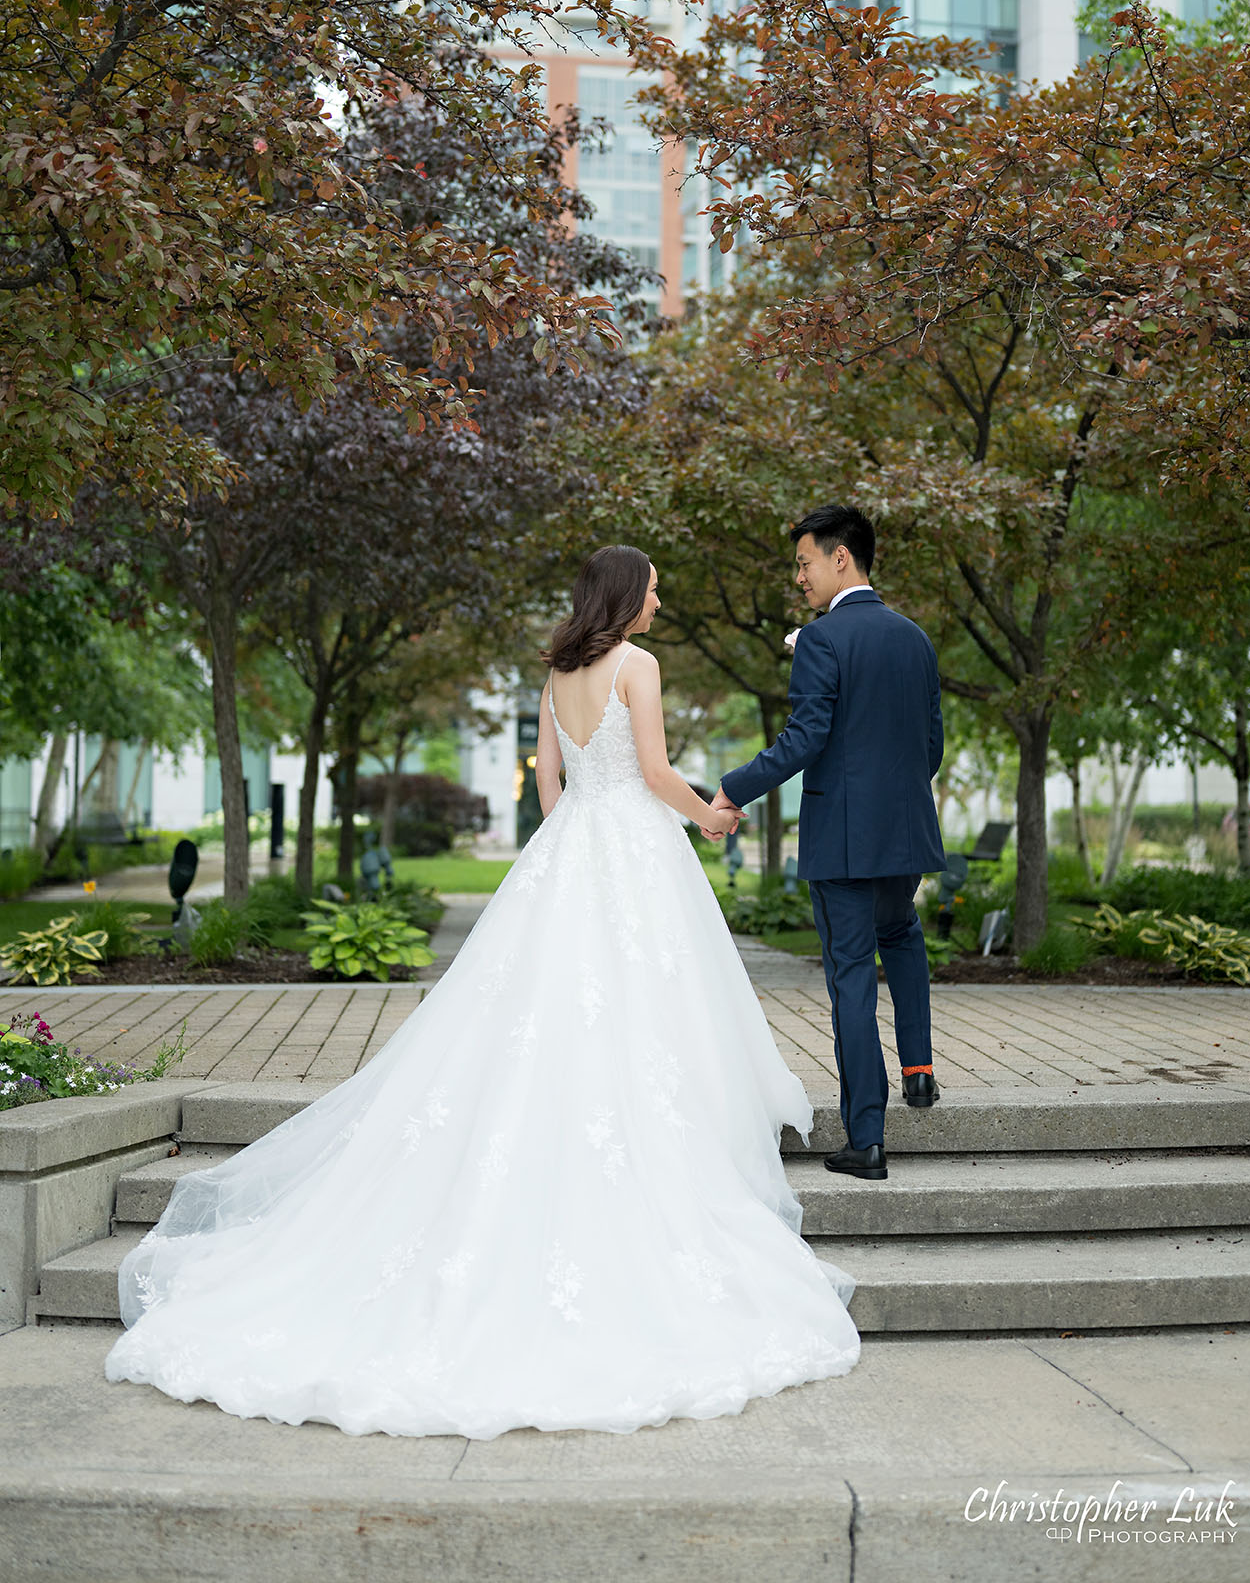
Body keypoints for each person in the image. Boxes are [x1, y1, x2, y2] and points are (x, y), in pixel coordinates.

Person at [105, 545, 860, 1438]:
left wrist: (572, 841)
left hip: (575, 843)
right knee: (644, 1008)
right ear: (627, 595)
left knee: (541, 1011)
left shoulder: (558, 673)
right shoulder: (638, 664)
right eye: (654, 585)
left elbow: (548, 776)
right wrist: (709, 812)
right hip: (634, 846)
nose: (661, 597)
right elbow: (655, 774)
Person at [710, 503, 945, 1183]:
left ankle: (866, 1138)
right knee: (901, 935)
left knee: (849, 974)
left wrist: (733, 789)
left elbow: (805, 739)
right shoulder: (915, 639)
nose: (800, 578)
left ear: (840, 558)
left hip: (843, 839)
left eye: (804, 563)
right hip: (904, 833)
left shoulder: (821, 640)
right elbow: (929, 745)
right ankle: (920, 1069)